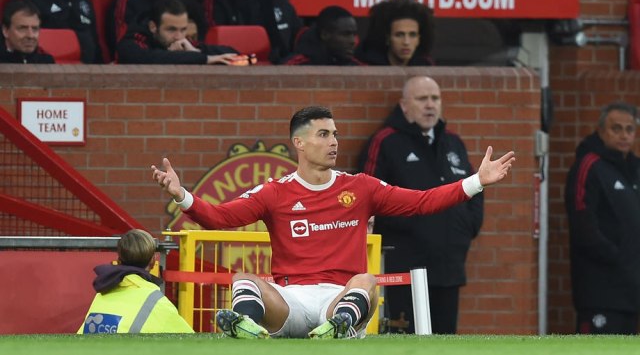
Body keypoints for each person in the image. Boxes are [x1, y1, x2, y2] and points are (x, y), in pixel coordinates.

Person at [151, 105, 515, 339]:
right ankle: (245, 327)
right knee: (243, 279)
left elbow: (421, 202)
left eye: (335, 134)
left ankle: (338, 327)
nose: (333, 142)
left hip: (339, 297)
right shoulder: (275, 192)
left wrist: (477, 181)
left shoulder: (361, 187)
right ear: (299, 143)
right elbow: (220, 217)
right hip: (291, 301)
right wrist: (182, 195)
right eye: (323, 135)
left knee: (367, 280)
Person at [357, 76, 481, 334]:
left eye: (435, 98)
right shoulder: (386, 142)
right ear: (404, 105)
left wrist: (468, 226)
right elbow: (366, 196)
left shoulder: (453, 142)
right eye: (422, 99)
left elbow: (474, 187)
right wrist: (411, 226)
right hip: (404, 266)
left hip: (449, 266)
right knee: (406, 339)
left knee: (445, 341)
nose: (430, 105)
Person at [565, 102, 640, 335]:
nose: (624, 135)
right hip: (600, 292)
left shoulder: (635, 169)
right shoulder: (589, 166)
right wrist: (616, 257)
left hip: (630, 293)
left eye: (629, 129)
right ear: (601, 131)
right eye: (616, 128)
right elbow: (583, 225)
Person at [78, 229, 194, 334]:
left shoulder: (102, 293)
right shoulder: (156, 301)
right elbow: (191, 342)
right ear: (153, 261)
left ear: (118, 260)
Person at [117, 0, 240, 65]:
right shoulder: (132, 42)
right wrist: (203, 58)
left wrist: (195, 51)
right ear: (153, 27)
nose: (179, 36)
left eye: (183, 30)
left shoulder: (183, 42)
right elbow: (150, 58)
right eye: (171, 30)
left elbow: (234, 54)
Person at [355, 0, 434, 66]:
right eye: (399, 35)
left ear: (419, 39)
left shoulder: (426, 66)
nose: (406, 42)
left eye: (412, 35)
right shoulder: (366, 66)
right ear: (387, 38)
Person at [282, 6, 364, 66]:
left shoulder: (359, 68)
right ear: (325, 35)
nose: (353, 41)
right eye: (345, 34)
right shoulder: (293, 67)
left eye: (354, 34)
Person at [1, 0, 55, 64]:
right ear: (5, 31)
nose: (30, 35)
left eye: (35, 29)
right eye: (22, 28)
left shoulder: (46, 62)